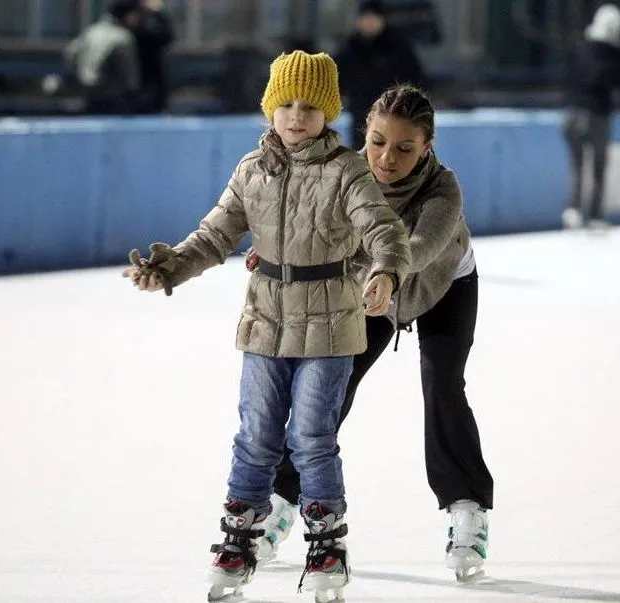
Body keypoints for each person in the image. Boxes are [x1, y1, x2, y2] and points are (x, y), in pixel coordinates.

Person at [121, 51, 411, 601]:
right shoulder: (252, 171)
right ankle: (238, 538)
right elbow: (213, 236)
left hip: (330, 321)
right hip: (265, 319)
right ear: (270, 108)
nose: (296, 116)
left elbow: (384, 231)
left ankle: (327, 544)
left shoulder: (346, 170)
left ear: (328, 111)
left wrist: (387, 272)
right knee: (255, 434)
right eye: (286, 104)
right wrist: (169, 269)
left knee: (310, 436)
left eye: (310, 106)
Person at [246, 84, 494, 583]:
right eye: (378, 142)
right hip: (370, 289)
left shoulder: (444, 189)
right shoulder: (344, 171)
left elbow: (421, 246)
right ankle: (283, 498)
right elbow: (307, 220)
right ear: (365, 134)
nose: (387, 158)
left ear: (428, 147)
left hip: (442, 284)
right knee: (329, 389)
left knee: (443, 385)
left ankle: (467, 507)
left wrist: (384, 271)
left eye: (405, 148)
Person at [561, 4, 620, 231]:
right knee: (598, 166)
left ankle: (573, 210)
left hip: (572, 113)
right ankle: (594, 215)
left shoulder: (580, 49)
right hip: (597, 115)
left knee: (577, 166)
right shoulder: (617, 56)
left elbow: (569, 79)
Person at [335, 0, 425, 149]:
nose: (368, 22)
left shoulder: (398, 48)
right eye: (365, 18)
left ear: (382, 20)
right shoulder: (350, 50)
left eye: (373, 18)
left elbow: (416, 82)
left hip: (394, 119)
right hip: (360, 120)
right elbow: (335, 81)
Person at [64, 0, 143, 115]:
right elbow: (129, 75)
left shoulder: (91, 31)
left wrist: (79, 72)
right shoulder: (123, 37)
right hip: (112, 97)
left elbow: (70, 53)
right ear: (128, 15)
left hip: (88, 94)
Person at [134, 0, 175, 114]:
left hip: (153, 71)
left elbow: (167, 37)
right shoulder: (132, 13)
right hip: (136, 72)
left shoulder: (154, 19)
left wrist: (157, 14)